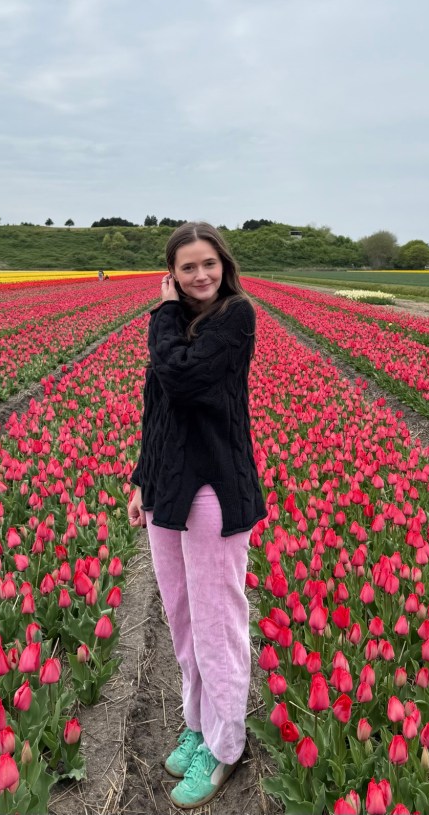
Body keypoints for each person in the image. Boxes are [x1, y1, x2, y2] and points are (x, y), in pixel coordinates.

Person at [127, 221, 267, 809]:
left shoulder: (236, 316)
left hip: (212, 489)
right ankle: (197, 723)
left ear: (223, 264)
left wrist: (160, 312)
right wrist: (140, 479)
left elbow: (181, 378)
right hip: (167, 488)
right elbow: (158, 409)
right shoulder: (175, 326)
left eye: (207, 262)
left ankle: (225, 746)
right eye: (187, 267)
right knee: (182, 617)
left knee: (216, 621)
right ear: (173, 274)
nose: (200, 275)